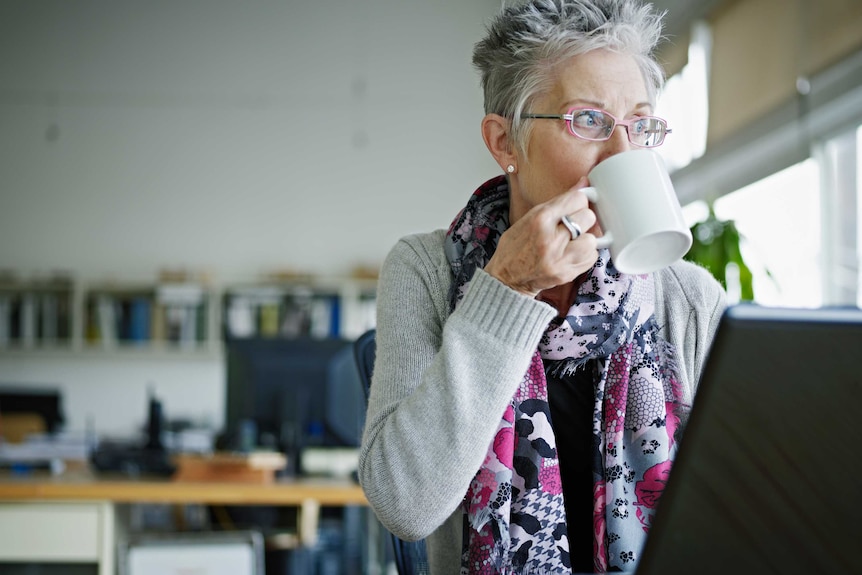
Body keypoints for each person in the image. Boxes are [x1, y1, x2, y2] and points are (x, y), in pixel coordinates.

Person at [358, 1, 726, 573]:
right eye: (589, 121)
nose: (623, 153)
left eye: (640, 124)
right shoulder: (426, 270)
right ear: (505, 143)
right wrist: (506, 287)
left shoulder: (688, 299)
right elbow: (406, 505)